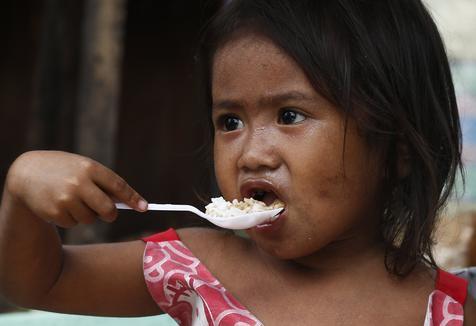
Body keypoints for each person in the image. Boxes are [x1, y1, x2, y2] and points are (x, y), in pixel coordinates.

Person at [1, 0, 475, 324]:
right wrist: (22, 191)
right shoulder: (193, 266)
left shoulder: (451, 310)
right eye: (229, 121)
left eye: (290, 116)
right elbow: (40, 282)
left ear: (397, 151)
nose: (251, 153)